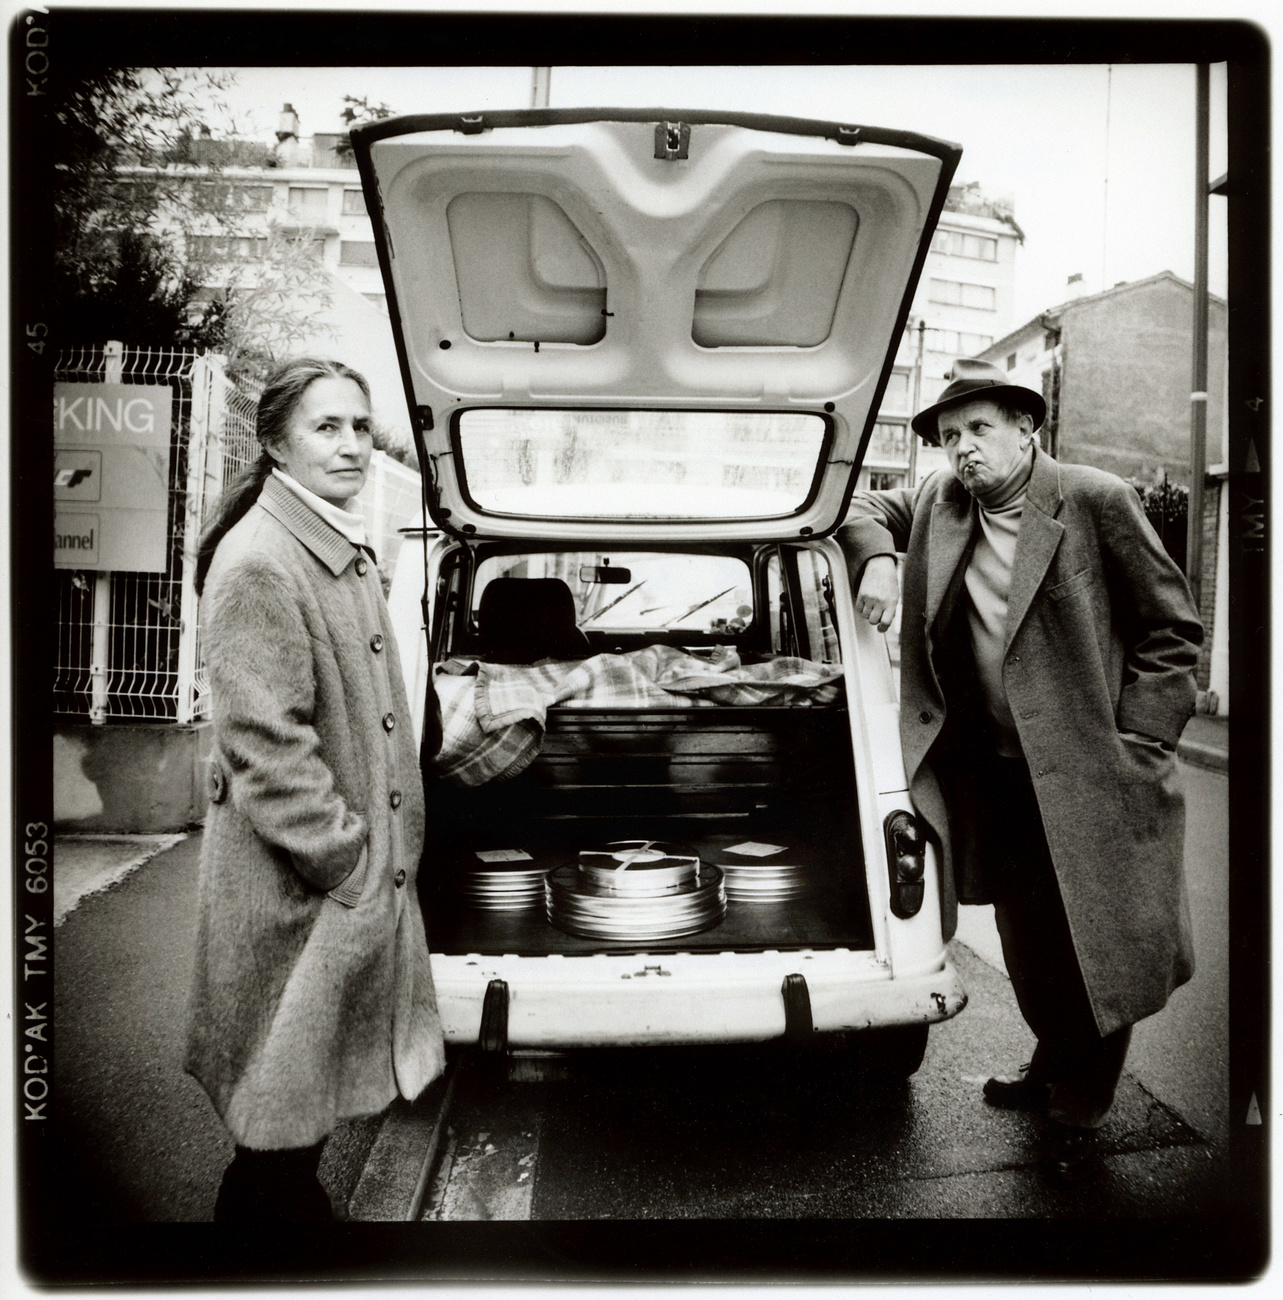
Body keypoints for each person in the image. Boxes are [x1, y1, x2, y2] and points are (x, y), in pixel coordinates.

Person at [838, 358, 1202, 1183]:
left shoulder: (1094, 498)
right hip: (995, 773)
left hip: (1090, 772)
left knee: (1094, 941)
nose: (960, 449)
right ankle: (1049, 1064)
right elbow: (860, 505)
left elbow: (1171, 630)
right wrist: (879, 560)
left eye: (978, 430)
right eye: (947, 436)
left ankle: (1084, 1093)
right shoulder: (939, 501)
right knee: (1026, 936)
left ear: (1025, 429)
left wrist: (1139, 745)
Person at [186, 358, 445, 1222]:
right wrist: (348, 863)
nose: (351, 446)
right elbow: (267, 747)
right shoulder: (262, 559)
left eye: (360, 427)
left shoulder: (323, 542)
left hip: (326, 893)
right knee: (274, 1133)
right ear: (275, 443)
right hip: (300, 895)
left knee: (290, 1131)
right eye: (326, 428)